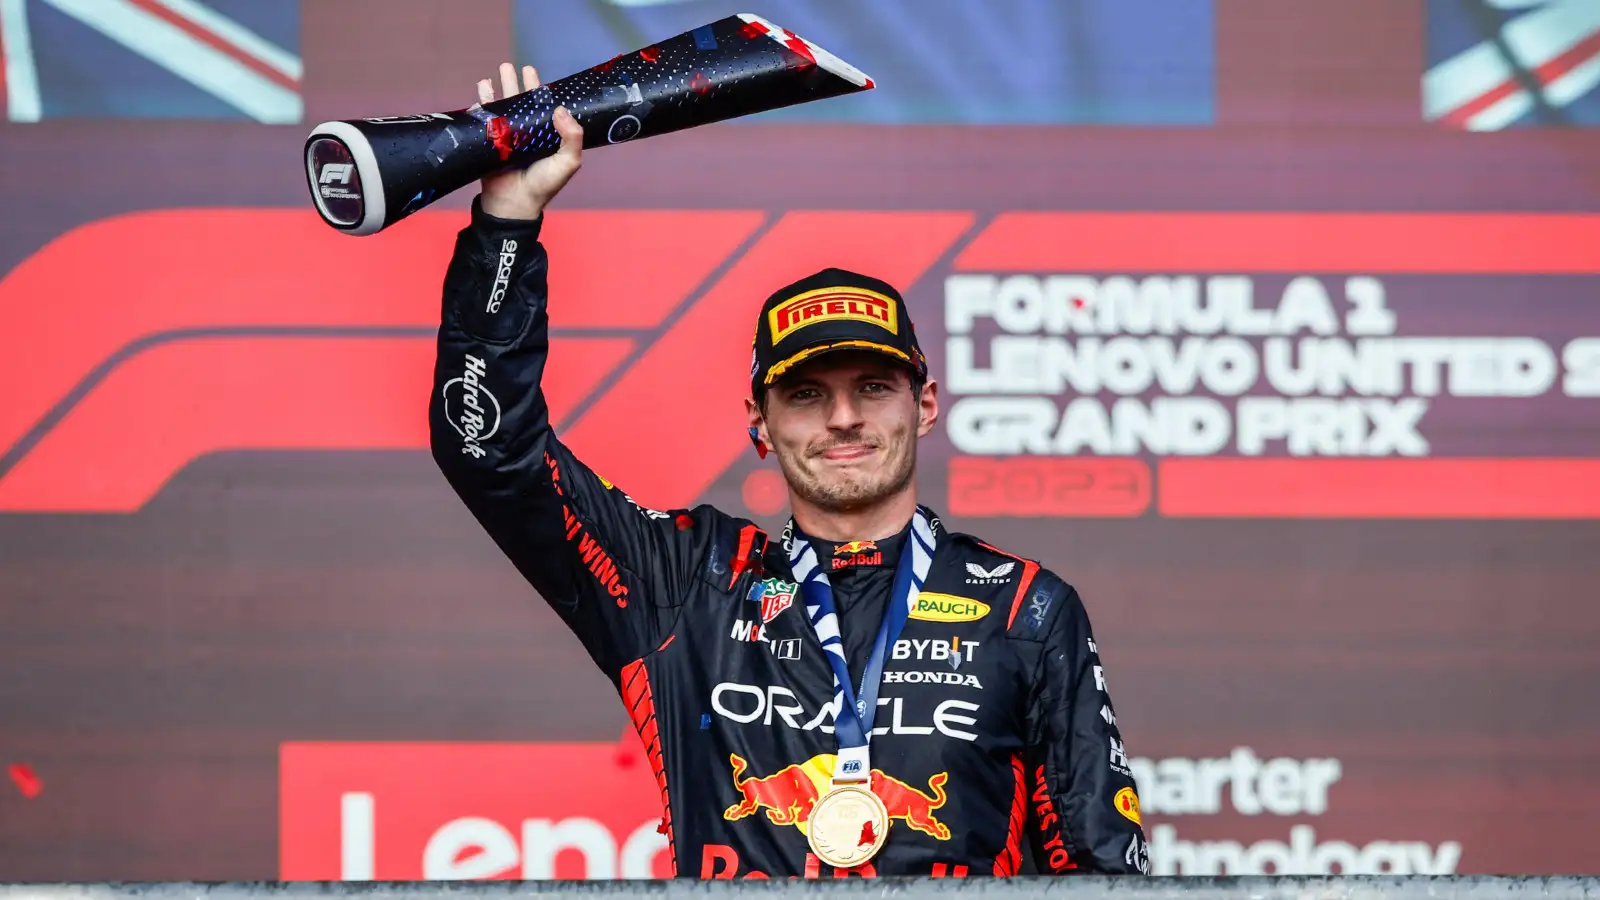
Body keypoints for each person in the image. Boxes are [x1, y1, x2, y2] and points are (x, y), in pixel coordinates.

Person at [428, 62, 1149, 879]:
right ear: (759, 426)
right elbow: (489, 448)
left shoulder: (1026, 607)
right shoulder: (687, 583)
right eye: (806, 395)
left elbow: (1102, 873)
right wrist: (506, 223)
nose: (843, 417)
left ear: (926, 404)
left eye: (873, 388)